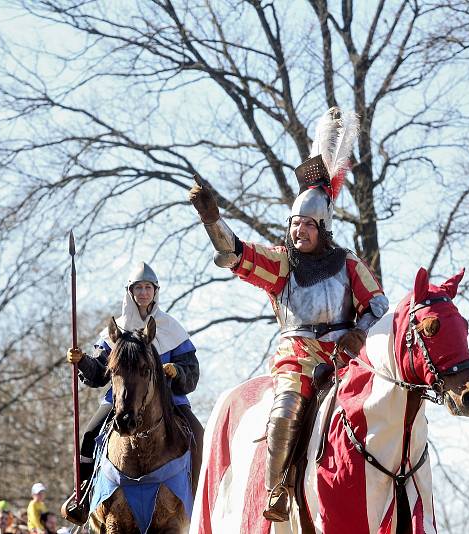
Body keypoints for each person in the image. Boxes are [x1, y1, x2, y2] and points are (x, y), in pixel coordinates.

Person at [188, 107, 389, 522]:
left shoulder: (351, 265)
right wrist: (213, 221)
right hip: (297, 357)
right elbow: (238, 256)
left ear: (323, 226)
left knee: (386, 407)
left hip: (346, 358)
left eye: (308, 225)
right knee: (287, 408)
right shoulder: (283, 265)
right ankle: (278, 489)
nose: (299, 231)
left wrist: (358, 332)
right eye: (295, 225)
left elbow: (380, 308)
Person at [63, 262, 204, 520]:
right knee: (90, 433)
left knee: (198, 432)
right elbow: (98, 371)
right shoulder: (114, 331)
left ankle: (204, 494)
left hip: (168, 398)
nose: (143, 292)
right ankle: (83, 494)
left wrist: (177, 372)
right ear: (130, 292)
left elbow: (191, 370)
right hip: (120, 398)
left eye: (147, 287)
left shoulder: (171, 327)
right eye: (138, 287)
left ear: (155, 291)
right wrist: (82, 360)